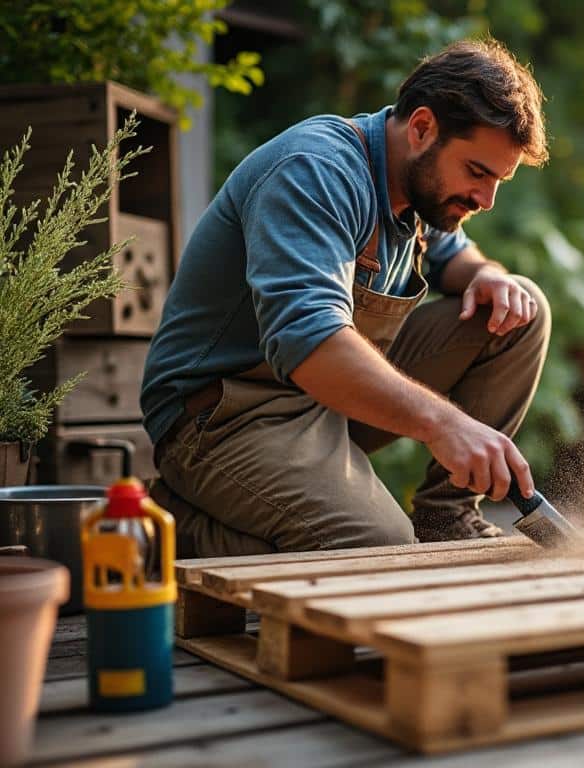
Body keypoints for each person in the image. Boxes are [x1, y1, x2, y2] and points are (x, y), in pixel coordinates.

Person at [141, 40, 551, 557]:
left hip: (323, 401)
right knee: (376, 548)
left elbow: (457, 258)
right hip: (223, 415)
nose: (486, 200)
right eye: (477, 172)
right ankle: (166, 532)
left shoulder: (422, 188)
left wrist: (487, 276)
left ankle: (448, 519)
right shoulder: (316, 171)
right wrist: (446, 424)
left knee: (519, 309)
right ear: (423, 127)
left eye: (498, 181)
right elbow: (309, 342)